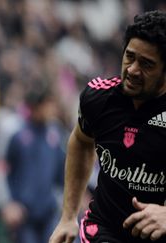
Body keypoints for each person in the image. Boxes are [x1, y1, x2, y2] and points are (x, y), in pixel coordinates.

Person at [49, 10, 166, 243]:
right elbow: (81, 142)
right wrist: (68, 216)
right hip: (104, 229)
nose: (133, 69)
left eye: (146, 64)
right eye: (129, 57)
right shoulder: (98, 98)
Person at [0, 87, 66, 243]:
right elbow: (0, 170)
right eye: (48, 104)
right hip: (23, 214)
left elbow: (62, 174)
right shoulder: (17, 134)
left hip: (49, 212)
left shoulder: (55, 136)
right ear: (36, 106)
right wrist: (6, 203)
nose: (52, 109)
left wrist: (62, 199)